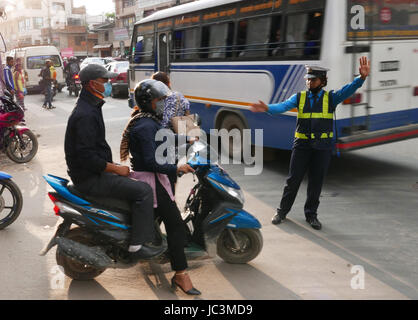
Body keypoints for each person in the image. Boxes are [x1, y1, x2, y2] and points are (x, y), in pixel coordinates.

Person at [250, 56, 371, 230]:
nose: (309, 82)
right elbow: (282, 106)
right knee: (293, 181)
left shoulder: (331, 98)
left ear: (322, 81)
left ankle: (311, 215)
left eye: (313, 80)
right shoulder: (299, 97)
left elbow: (348, 89)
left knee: (316, 183)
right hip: (302, 146)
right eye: (307, 79)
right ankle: (282, 212)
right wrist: (267, 108)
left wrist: (362, 78)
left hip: (322, 148)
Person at [64, 64, 165, 262]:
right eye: (105, 81)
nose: (108, 84)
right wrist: (116, 169)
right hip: (90, 178)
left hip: (93, 172)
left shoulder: (90, 106)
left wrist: (114, 166)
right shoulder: (85, 114)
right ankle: (137, 246)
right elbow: (87, 157)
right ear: (93, 84)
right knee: (144, 191)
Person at [120, 78, 200, 295]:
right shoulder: (145, 125)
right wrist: (177, 169)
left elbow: (166, 138)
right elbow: (150, 161)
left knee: (164, 221)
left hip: (156, 180)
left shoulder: (148, 120)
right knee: (175, 226)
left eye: (165, 99)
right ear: (149, 102)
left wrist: (188, 140)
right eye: (160, 99)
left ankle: (154, 251)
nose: (164, 103)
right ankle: (181, 275)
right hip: (151, 181)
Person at [151, 71, 191, 194]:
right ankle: (171, 197)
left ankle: (163, 199)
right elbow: (187, 117)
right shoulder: (179, 97)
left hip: (157, 142)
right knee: (172, 172)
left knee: (159, 174)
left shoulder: (154, 100)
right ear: (169, 83)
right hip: (174, 144)